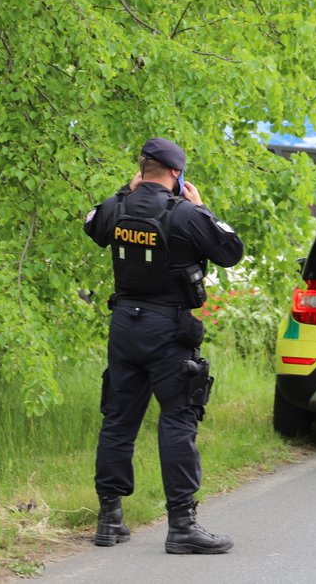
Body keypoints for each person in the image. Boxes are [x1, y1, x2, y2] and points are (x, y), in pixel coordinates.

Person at [83, 137, 244, 553]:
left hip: (124, 325)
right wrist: (202, 207)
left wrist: (125, 191)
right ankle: (182, 526)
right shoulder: (187, 213)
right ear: (176, 174)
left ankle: (109, 519)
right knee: (177, 420)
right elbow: (231, 251)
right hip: (167, 328)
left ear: (142, 170)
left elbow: (91, 226)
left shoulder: (117, 206)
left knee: (118, 420)